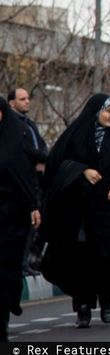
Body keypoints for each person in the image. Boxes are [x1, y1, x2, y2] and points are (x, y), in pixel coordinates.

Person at [41, 94, 110, 328]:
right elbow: (56, 163)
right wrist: (82, 170)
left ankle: (106, 300)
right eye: (108, 111)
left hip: (107, 211)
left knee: (105, 258)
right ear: (95, 111)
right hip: (78, 211)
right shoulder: (75, 135)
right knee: (80, 259)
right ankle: (82, 307)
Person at [0, 96, 40, 342]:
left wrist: (33, 206)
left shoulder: (16, 139)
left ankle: (4, 311)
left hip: (11, 218)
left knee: (7, 271)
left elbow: (26, 177)